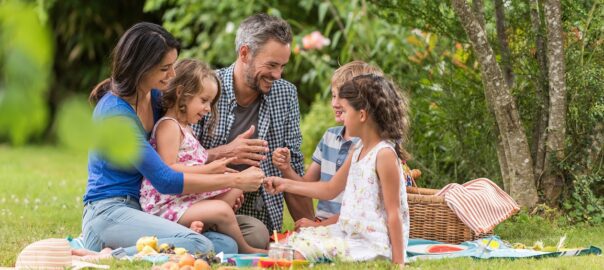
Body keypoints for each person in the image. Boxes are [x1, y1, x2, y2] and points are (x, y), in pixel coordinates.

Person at [83, 22, 265, 257]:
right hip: (109, 212)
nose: (172, 75)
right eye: (165, 68)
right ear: (141, 67)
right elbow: (164, 179)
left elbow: (180, 155)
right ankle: (109, 255)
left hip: (142, 210)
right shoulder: (116, 115)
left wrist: (226, 153)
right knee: (200, 246)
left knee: (227, 246)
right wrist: (235, 180)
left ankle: (142, 246)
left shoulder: (155, 98)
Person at [265, 74, 411, 266]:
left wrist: (398, 262)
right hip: (349, 232)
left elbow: (394, 213)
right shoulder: (358, 149)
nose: (341, 118)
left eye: (345, 111)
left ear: (361, 115)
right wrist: (284, 184)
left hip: (372, 244)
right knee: (285, 245)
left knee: (296, 253)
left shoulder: (384, 155)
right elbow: (329, 189)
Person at [192, 13, 312, 246]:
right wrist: (227, 152)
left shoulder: (285, 94)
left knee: (257, 235)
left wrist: (311, 229)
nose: (277, 75)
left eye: (282, 66)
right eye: (271, 65)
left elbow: (294, 170)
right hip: (201, 204)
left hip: (257, 213)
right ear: (245, 53)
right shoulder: (205, 88)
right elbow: (177, 162)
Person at [139, 59, 266, 254]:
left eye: (210, 102)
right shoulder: (168, 126)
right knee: (223, 209)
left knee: (236, 188)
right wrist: (209, 169)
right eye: (204, 100)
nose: (208, 108)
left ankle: (201, 226)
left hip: (185, 199)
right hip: (167, 205)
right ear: (181, 93)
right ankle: (245, 248)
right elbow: (168, 169)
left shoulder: (186, 127)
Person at [272, 61, 383, 230]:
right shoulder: (330, 137)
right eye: (333, 95)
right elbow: (307, 187)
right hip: (324, 224)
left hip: (352, 226)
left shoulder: (368, 146)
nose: (335, 103)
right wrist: (286, 169)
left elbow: (359, 211)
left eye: (342, 97)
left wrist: (319, 227)